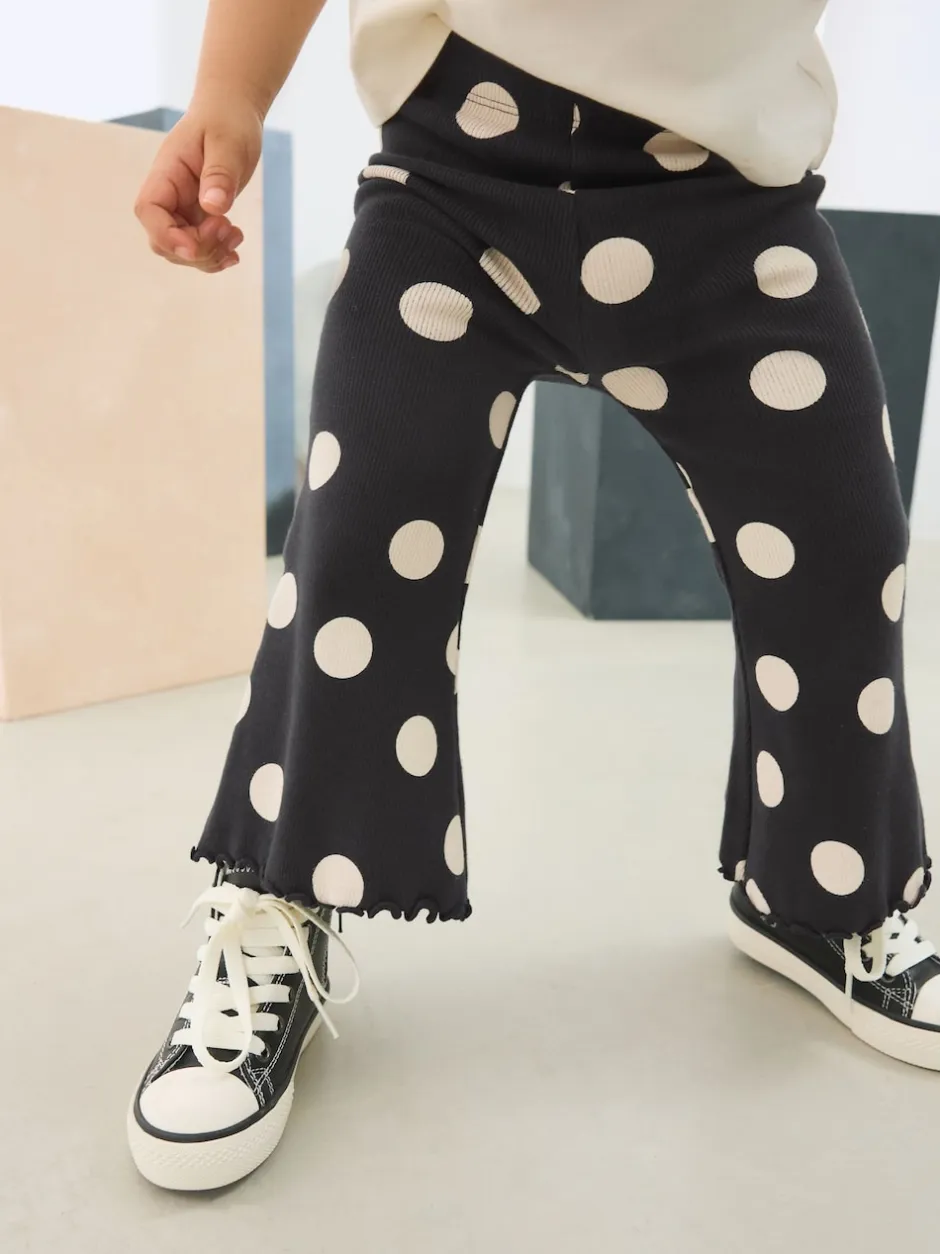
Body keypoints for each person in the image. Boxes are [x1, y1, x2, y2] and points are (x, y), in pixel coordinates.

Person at [128, 0, 940, 1193]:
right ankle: (280, 896)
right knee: (360, 542)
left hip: (730, 195)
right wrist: (229, 96)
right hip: (452, 176)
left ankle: (823, 896)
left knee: (844, 546)